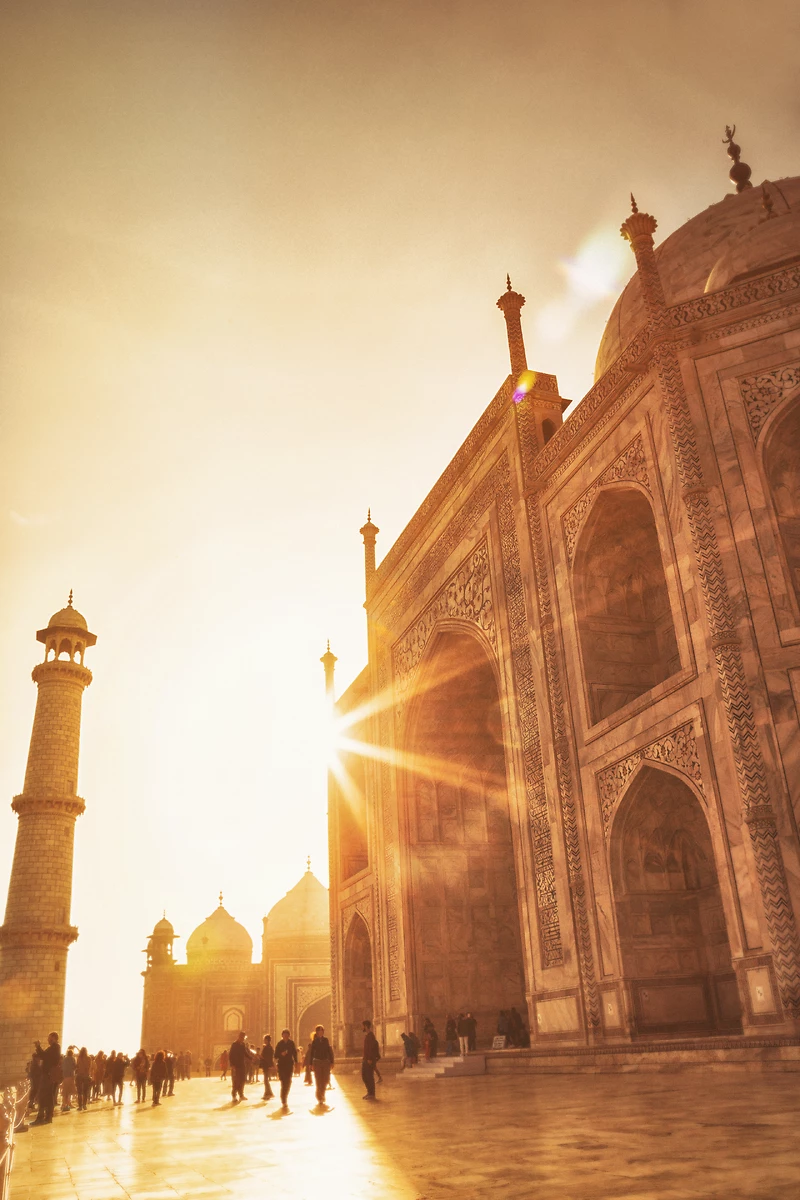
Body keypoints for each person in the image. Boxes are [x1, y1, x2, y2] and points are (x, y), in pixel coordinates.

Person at [32, 1032, 62, 1125]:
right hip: (47, 1075)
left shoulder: (55, 1047)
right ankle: (46, 1117)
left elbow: (44, 1056)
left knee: (44, 1096)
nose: (48, 1040)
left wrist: (38, 1047)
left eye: (49, 1038)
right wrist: (38, 1048)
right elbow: (44, 1056)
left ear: (54, 1038)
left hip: (48, 1076)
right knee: (47, 1097)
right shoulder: (53, 1048)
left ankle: (43, 1117)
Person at [309, 1025, 334, 1106]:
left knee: (325, 1080)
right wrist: (310, 1064)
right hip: (317, 1062)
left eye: (322, 1030)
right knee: (318, 1080)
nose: (320, 1032)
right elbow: (312, 1053)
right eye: (319, 1031)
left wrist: (332, 1062)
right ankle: (320, 1097)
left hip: (325, 1062)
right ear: (317, 1032)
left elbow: (329, 1051)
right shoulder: (314, 1041)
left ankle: (322, 1094)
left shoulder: (326, 1040)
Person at [274, 1029, 298, 1109]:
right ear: (282, 1035)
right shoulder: (279, 1044)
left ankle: (285, 1096)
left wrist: (296, 1062)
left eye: (287, 1035)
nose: (285, 1036)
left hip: (289, 1065)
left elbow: (294, 1053)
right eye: (284, 1034)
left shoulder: (291, 1043)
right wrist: (281, 1054)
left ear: (289, 1035)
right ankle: (283, 1099)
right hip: (281, 1065)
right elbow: (276, 1055)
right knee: (283, 1082)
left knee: (288, 1082)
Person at [229, 1031, 254, 1103]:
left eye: (244, 1038)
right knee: (236, 1081)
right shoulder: (234, 1045)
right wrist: (232, 1065)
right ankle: (234, 1096)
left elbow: (245, 1053)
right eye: (242, 1037)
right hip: (236, 1066)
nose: (243, 1039)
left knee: (242, 1080)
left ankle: (241, 1095)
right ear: (239, 1037)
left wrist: (251, 1058)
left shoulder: (242, 1044)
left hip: (242, 1065)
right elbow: (230, 1055)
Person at [361, 1019, 380, 1101]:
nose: (362, 1027)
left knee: (369, 1077)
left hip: (369, 1060)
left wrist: (369, 1059)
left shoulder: (371, 1036)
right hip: (365, 1059)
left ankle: (372, 1094)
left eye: (363, 1026)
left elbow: (371, 1048)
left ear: (365, 1026)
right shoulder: (368, 1035)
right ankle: (369, 1092)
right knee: (364, 1076)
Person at [61, 1046, 76, 1111]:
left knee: (65, 1091)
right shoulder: (72, 1059)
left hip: (65, 1076)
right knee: (69, 1091)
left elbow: (62, 1067)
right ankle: (68, 1103)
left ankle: (64, 1104)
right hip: (70, 1076)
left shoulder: (64, 1059)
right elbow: (75, 1066)